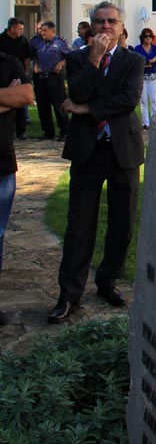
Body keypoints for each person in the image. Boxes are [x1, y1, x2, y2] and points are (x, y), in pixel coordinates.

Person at [47, 2, 145, 324]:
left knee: (121, 223)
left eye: (111, 21)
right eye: (99, 22)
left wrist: (88, 109)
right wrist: (93, 60)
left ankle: (107, 280)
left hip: (122, 152)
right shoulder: (76, 59)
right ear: (91, 27)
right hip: (88, 152)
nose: (105, 27)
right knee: (79, 226)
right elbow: (75, 90)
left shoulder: (133, 61)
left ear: (121, 26)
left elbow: (127, 100)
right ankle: (69, 295)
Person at [0, 53, 33, 324]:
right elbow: (13, 97)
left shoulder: (7, 62)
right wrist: (4, 98)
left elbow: (25, 96)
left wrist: (14, 96)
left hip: (2, 167)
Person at [32, 22, 71, 140]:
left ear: (52, 31)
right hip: (41, 78)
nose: (42, 33)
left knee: (59, 105)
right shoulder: (37, 43)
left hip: (54, 78)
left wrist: (61, 63)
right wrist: (35, 65)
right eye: (41, 30)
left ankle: (64, 131)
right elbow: (34, 56)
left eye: (45, 30)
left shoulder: (60, 43)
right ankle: (48, 132)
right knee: (43, 106)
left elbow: (70, 56)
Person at [0, 18, 31, 139]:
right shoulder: (1, 39)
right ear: (12, 28)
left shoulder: (23, 40)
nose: (21, 31)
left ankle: (21, 131)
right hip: (4, 75)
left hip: (19, 73)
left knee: (20, 104)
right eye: (19, 29)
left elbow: (27, 57)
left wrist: (26, 72)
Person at [133, 29, 156, 131]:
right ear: (142, 38)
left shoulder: (155, 48)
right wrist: (149, 61)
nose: (148, 38)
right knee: (143, 100)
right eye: (146, 36)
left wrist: (148, 63)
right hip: (142, 78)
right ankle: (146, 123)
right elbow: (137, 61)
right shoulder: (138, 48)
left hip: (152, 77)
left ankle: (154, 121)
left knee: (153, 99)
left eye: (150, 36)